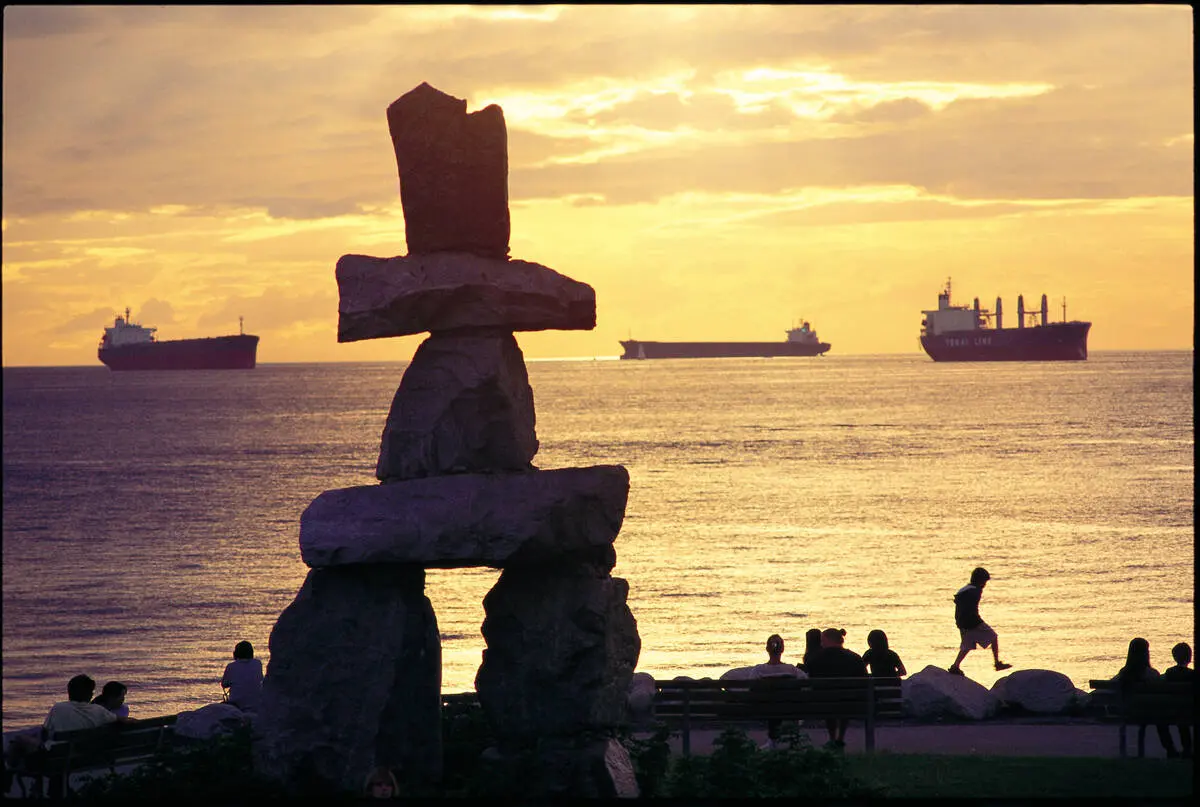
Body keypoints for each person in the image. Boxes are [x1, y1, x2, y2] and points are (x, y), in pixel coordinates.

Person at [805, 628, 867, 750]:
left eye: (822, 640)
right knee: (844, 700)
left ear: (827, 640)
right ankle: (840, 739)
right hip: (852, 704)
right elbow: (864, 681)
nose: (821, 643)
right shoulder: (855, 658)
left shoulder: (815, 659)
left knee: (829, 700)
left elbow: (811, 681)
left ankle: (832, 739)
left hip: (824, 703)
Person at [947, 567, 1011, 676]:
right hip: (972, 622)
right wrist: (977, 622)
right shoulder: (975, 591)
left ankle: (955, 666)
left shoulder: (965, 589)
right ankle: (997, 663)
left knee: (967, 645)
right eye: (984, 581)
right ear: (979, 580)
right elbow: (971, 609)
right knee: (993, 636)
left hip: (961, 622)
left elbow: (960, 604)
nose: (985, 584)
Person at [750, 634, 807, 750]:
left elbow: (751, 687)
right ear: (782, 649)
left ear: (767, 649)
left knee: (773, 704)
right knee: (785, 702)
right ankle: (793, 739)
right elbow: (805, 681)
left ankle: (773, 741)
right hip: (790, 708)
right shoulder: (791, 669)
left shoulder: (758, 670)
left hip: (765, 709)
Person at [1157, 642, 1194, 758]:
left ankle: (1170, 749)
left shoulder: (1169, 673)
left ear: (1174, 657)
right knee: (1183, 719)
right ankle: (1187, 749)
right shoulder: (1193, 675)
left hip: (1172, 711)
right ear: (1190, 658)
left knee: (1163, 721)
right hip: (1190, 711)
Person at [221, 640, 264, 712]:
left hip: (237, 705)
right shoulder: (257, 663)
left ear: (235, 654)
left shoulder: (231, 666)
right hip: (256, 704)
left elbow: (224, 684)